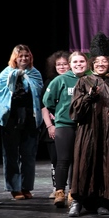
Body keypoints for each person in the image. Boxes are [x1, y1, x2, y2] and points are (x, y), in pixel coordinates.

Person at [68, 34, 109, 217]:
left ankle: (104, 201)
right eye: (97, 61)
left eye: (104, 61)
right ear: (92, 63)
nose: (101, 64)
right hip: (89, 131)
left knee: (108, 165)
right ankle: (78, 202)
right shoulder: (83, 82)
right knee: (84, 164)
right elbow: (75, 111)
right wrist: (89, 97)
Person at [0, 44, 44, 200]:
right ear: (14, 58)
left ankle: (26, 187)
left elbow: (39, 93)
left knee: (28, 154)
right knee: (11, 154)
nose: (23, 58)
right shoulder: (5, 74)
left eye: (26, 56)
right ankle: (15, 188)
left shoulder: (34, 73)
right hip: (11, 119)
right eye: (20, 56)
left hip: (29, 118)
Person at [42, 50, 87, 208]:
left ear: (86, 64)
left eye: (81, 62)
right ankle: (60, 191)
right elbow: (48, 101)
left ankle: (73, 191)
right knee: (63, 160)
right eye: (75, 62)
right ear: (70, 64)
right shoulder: (60, 80)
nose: (78, 64)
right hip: (64, 125)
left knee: (78, 161)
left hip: (84, 127)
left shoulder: (90, 80)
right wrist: (60, 114)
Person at [41, 50, 70, 199]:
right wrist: (49, 126)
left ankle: (72, 190)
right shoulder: (50, 82)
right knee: (56, 159)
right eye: (59, 64)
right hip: (53, 127)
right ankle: (57, 188)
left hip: (68, 127)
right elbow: (44, 106)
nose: (62, 67)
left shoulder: (75, 80)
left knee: (69, 159)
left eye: (65, 64)